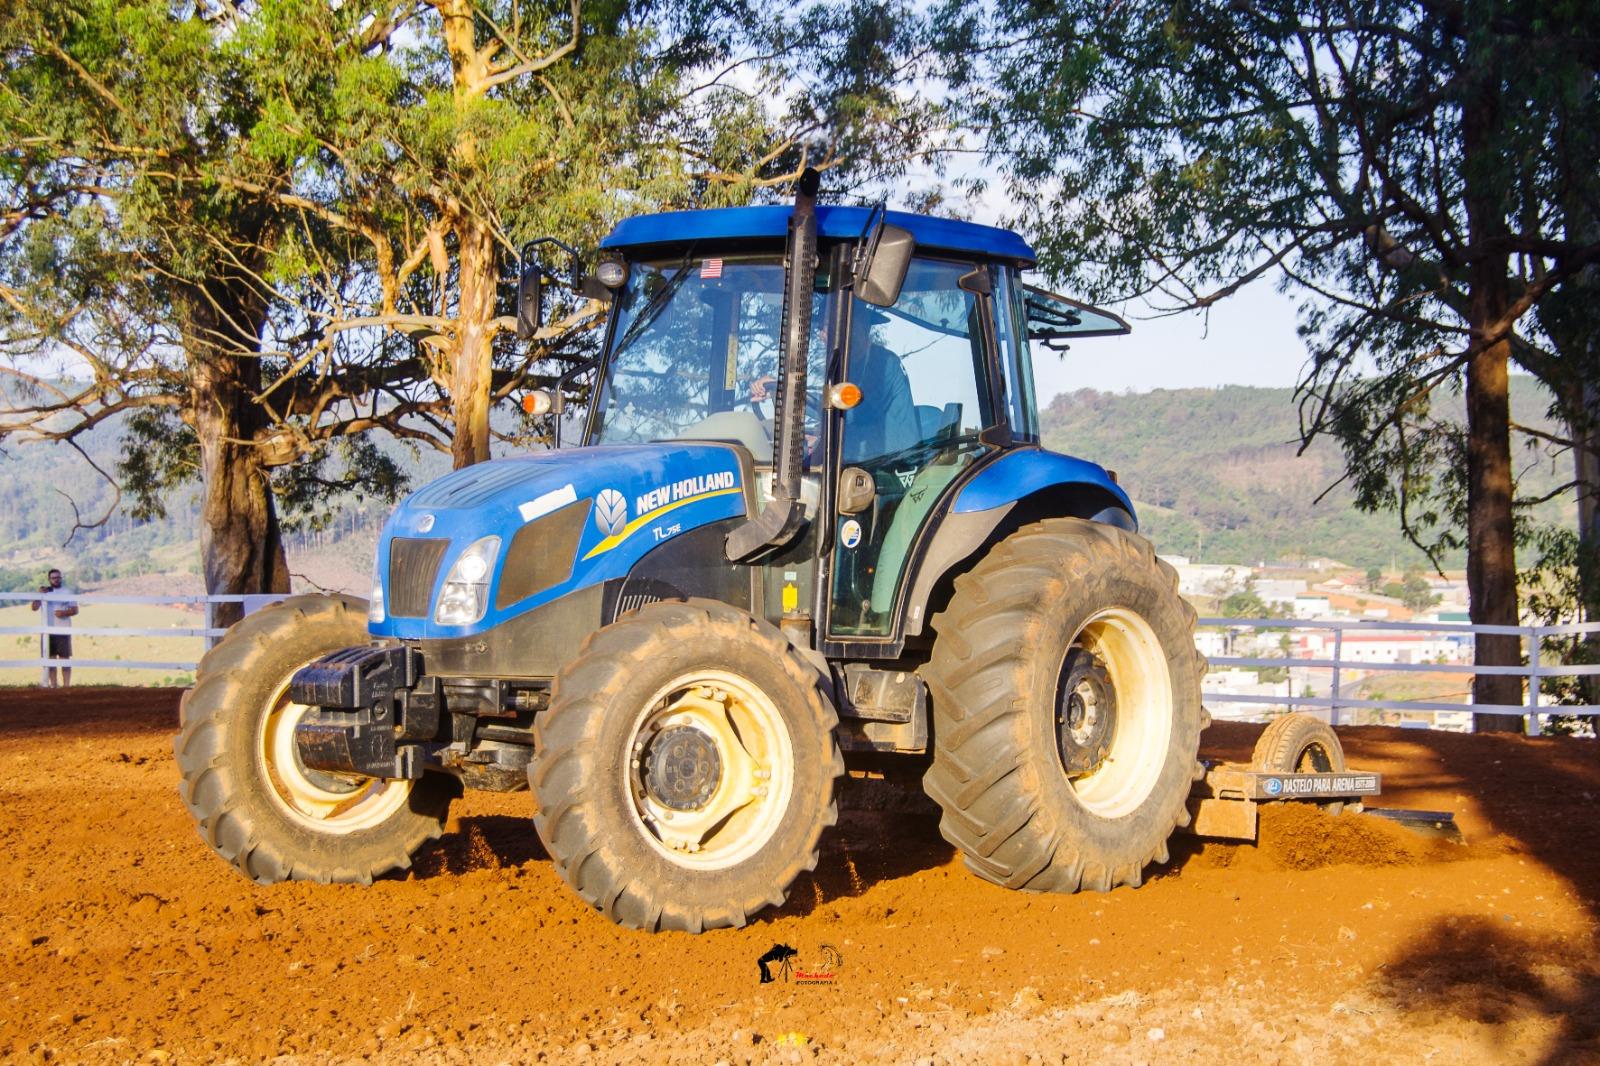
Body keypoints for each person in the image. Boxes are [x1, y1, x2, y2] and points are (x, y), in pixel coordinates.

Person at [30, 568, 78, 688]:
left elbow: (75, 610)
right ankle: (54, 686)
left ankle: (66, 686)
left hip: (63, 629)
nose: (56, 580)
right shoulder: (44, 592)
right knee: (50, 659)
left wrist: (64, 613)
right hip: (47, 631)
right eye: (54, 578)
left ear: (61, 578)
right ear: (49, 579)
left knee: (65, 659)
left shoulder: (67, 592)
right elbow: (34, 608)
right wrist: (39, 595)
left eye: (58, 577)